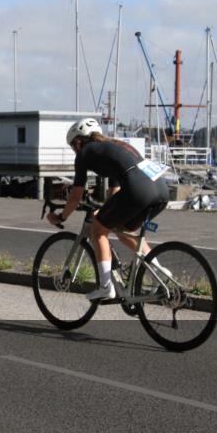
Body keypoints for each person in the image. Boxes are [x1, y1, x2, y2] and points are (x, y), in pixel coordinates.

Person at [46, 118, 170, 301]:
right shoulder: (114, 146)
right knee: (121, 228)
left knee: (97, 231)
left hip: (139, 190)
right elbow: (115, 191)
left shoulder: (84, 153)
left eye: (73, 146)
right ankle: (161, 275)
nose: (74, 150)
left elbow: (76, 195)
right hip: (160, 189)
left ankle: (106, 287)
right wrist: (105, 212)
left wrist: (61, 217)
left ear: (78, 141)